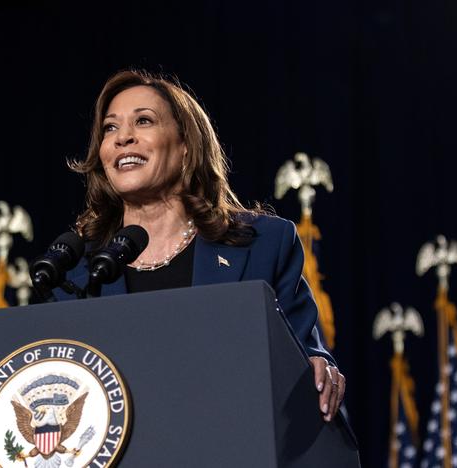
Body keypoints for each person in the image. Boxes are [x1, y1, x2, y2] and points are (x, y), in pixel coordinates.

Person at [53, 69, 346, 422]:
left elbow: (302, 352)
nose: (122, 138)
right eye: (110, 128)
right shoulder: (76, 269)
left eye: (143, 121)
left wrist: (319, 367)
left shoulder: (263, 245)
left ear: (186, 146)